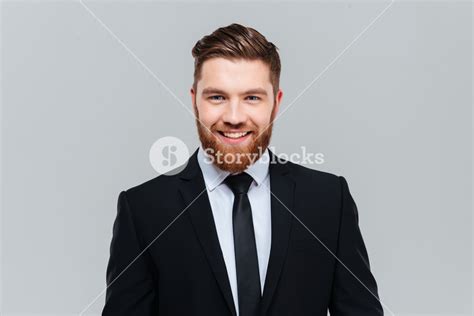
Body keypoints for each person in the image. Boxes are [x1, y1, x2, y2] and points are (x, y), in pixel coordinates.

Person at [102, 23, 383, 316]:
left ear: (275, 104)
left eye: (252, 98)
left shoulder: (328, 200)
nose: (234, 117)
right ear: (194, 101)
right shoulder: (144, 209)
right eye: (217, 97)